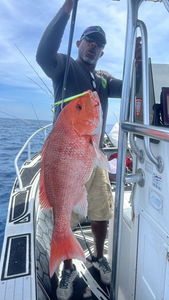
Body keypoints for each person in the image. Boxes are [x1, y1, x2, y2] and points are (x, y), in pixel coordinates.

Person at [36, 1, 141, 299]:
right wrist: (68, 8)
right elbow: (42, 54)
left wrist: (135, 65)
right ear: (79, 43)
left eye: (99, 44)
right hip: (66, 156)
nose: (93, 46)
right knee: (64, 216)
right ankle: (67, 268)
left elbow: (132, 87)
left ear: (102, 52)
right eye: (89, 41)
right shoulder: (64, 67)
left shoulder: (104, 79)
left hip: (93, 155)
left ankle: (97, 257)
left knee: (100, 211)